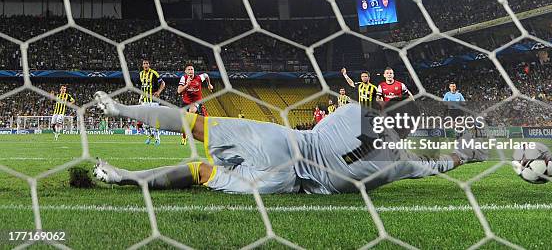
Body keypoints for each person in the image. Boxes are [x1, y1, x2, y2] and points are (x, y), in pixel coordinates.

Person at [93, 91, 486, 194]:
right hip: (286, 183)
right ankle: (123, 176)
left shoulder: (353, 112)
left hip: (282, 142)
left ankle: (119, 110)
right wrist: (465, 153)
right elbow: (440, 164)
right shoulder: (400, 163)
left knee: (193, 124)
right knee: (202, 173)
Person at [177, 64, 213, 145]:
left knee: (199, 115)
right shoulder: (184, 78)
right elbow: (179, 91)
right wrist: (187, 84)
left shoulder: (199, 78)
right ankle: (184, 137)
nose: (190, 71)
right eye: (188, 69)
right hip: (186, 102)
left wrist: (209, 85)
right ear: (185, 71)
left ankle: (209, 136)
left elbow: (206, 75)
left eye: (192, 69)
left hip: (197, 102)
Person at [138, 59, 165, 146]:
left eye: (147, 63)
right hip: (145, 100)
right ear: (142, 65)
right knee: (145, 123)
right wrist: (140, 97)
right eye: (144, 63)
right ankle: (150, 136)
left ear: (149, 65)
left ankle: (157, 139)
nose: (145, 65)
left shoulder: (154, 73)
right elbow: (143, 87)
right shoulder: (141, 74)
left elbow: (163, 83)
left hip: (153, 100)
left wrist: (159, 92)